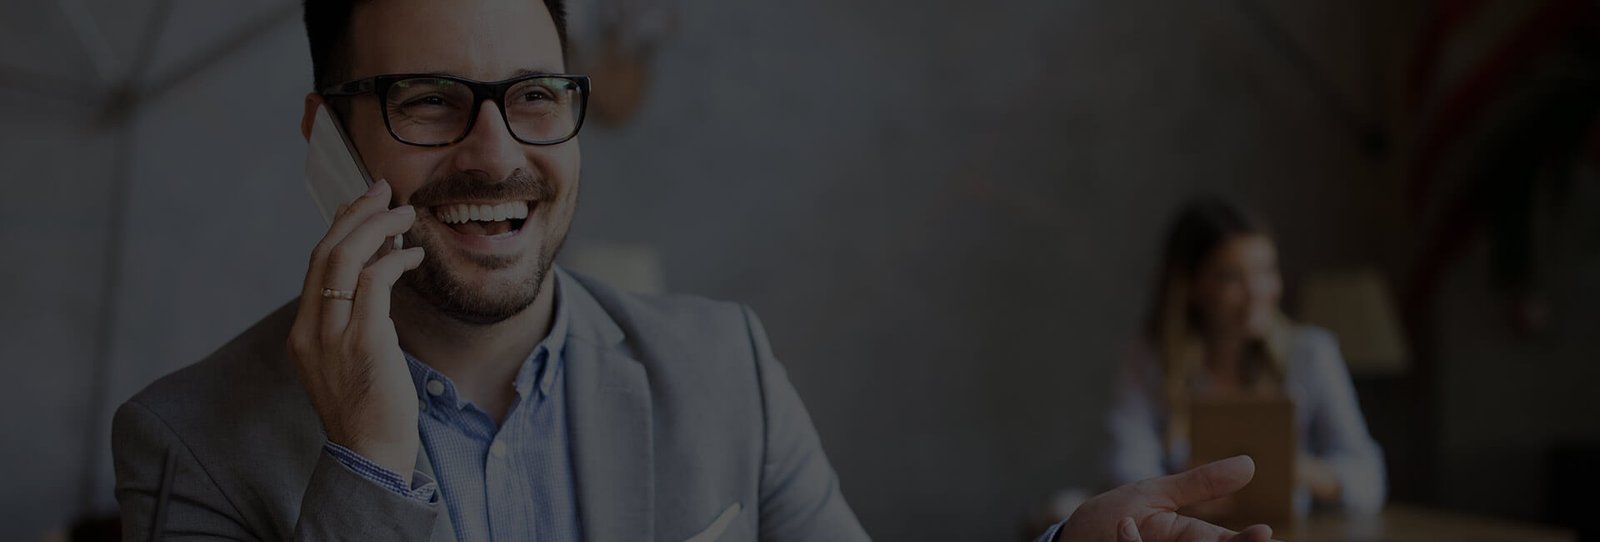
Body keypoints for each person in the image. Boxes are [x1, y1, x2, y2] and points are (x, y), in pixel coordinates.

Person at [111, 1, 1284, 540]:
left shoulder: (725, 365)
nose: (495, 153)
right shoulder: (190, 445)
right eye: (427, 101)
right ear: (326, 134)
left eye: (534, 96)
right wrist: (367, 459)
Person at [1105, 196, 1388, 516]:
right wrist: (1186, 489)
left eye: (1265, 271)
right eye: (1231, 277)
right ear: (1192, 286)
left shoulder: (1311, 353)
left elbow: (1369, 477)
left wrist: (1297, 470)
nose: (1256, 292)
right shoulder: (1149, 357)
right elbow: (1125, 467)